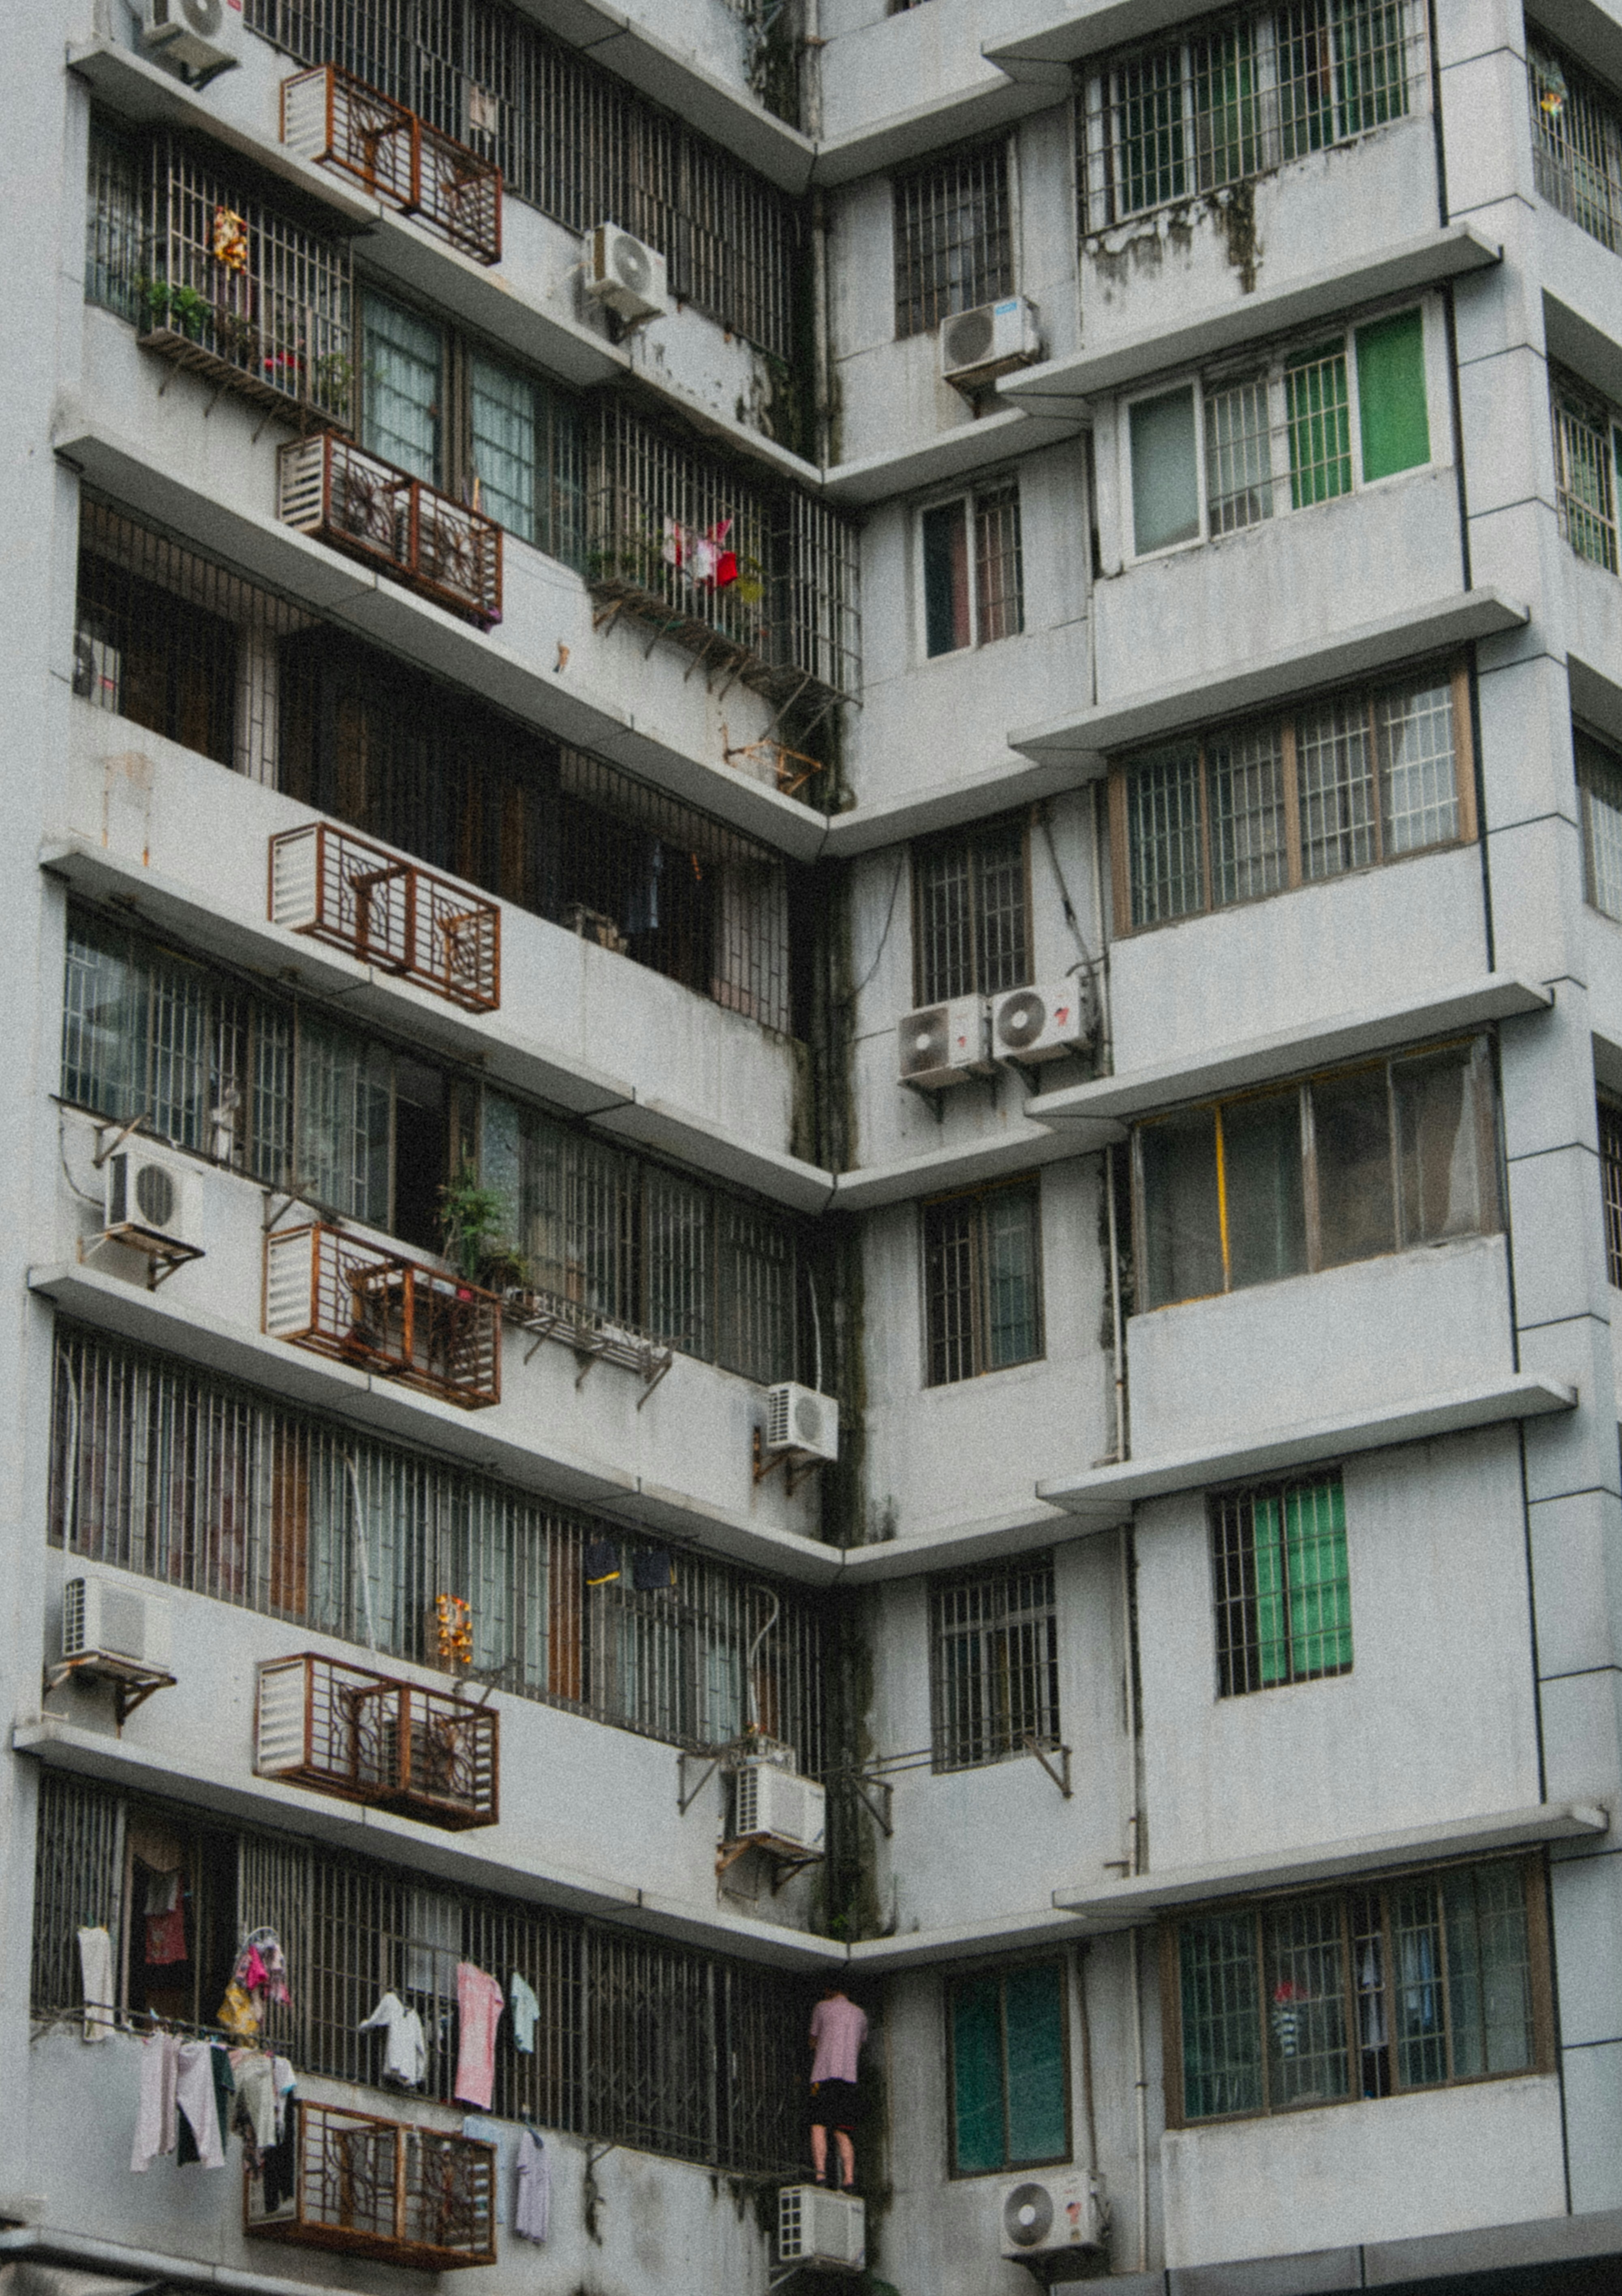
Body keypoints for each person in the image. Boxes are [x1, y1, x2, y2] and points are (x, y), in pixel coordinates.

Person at [808, 1981, 868, 2189]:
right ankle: (849, 2179)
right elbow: (859, 2046)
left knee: (819, 2125)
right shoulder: (860, 2015)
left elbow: (813, 2041)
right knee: (843, 2131)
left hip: (823, 2076)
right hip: (849, 2079)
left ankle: (820, 2175)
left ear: (828, 1990)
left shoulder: (822, 2008)